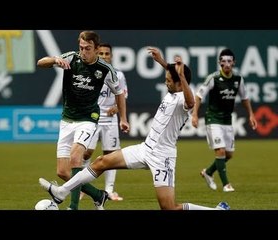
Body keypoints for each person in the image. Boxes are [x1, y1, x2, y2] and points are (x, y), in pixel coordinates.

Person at [39, 47, 229, 210]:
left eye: (169, 80)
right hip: (145, 148)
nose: (165, 81)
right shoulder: (174, 89)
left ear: (180, 82)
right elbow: (174, 79)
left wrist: (179, 75)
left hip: (163, 157)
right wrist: (163, 62)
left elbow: (188, 99)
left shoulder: (184, 98)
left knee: (169, 208)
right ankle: (62, 191)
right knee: (101, 161)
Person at [36, 30, 129, 210]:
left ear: (96, 49)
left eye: (87, 48)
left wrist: (123, 118)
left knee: (75, 158)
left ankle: (73, 207)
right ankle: (98, 195)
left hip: (88, 119)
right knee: (63, 172)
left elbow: (119, 93)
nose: (83, 52)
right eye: (81, 47)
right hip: (67, 120)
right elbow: (41, 63)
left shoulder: (105, 70)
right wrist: (55, 60)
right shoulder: (72, 58)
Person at [191, 48, 258, 192]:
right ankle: (226, 185)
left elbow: (245, 98)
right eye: (223, 61)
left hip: (227, 120)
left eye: (229, 61)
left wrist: (251, 115)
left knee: (229, 154)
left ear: (234, 62)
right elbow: (199, 96)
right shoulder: (213, 78)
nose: (226, 64)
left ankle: (208, 172)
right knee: (220, 151)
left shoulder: (238, 79)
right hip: (213, 119)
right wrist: (195, 114)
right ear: (219, 63)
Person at [81, 43, 128, 201]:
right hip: (92, 118)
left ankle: (109, 190)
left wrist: (117, 108)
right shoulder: (89, 72)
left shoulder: (118, 75)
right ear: (96, 54)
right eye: (101, 53)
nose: (104, 56)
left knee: (111, 155)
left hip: (110, 120)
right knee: (87, 152)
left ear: (111, 56)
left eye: (107, 53)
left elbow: (123, 94)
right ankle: (83, 186)